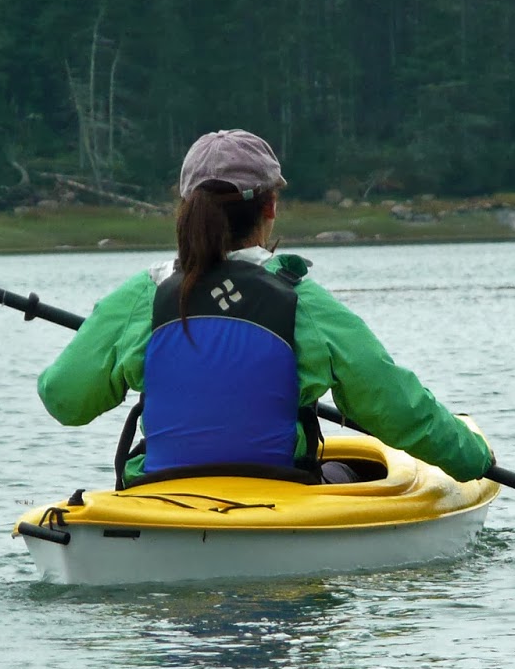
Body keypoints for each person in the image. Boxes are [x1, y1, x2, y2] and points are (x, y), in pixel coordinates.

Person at [37, 129, 492, 486]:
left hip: (161, 492)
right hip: (279, 491)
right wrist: (472, 457)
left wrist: (119, 359)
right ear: (270, 206)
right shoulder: (302, 299)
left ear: (187, 207)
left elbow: (64, 398)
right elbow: (394, 405)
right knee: (351, 470)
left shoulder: (143, 295)